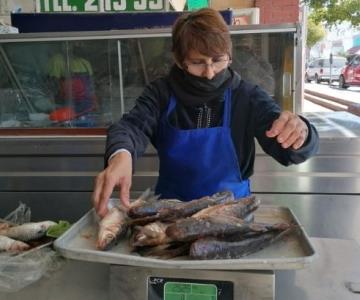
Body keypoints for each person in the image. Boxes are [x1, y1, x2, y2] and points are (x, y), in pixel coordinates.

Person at [93, 8, 319, 218]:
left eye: (218, 60)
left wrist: (301, 133)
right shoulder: (161, 93)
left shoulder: (247, 97)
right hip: (169, 216)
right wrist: (121, 154)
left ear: (229, 56)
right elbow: (131, 127)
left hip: (231, 217)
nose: (209, 73)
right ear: (180, 61)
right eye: (197, 62)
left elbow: (288, 151)